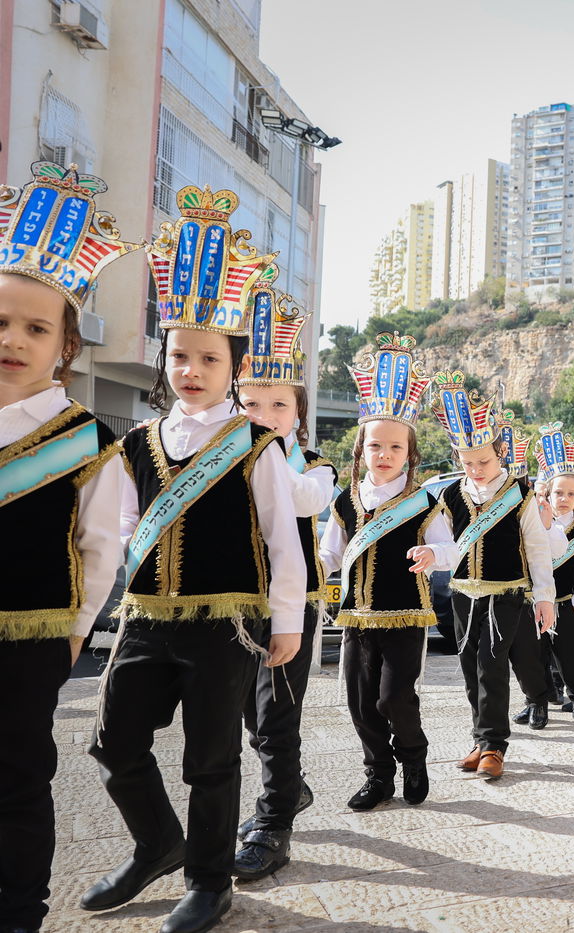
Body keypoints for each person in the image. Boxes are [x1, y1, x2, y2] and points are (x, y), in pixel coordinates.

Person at [85, 185, 306, 933]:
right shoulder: (137, 443)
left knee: (212, 761)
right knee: (112, 740)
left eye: (209, 357)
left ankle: (210, 881)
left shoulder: (255, 444)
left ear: (233, 365)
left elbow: (282, 538)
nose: (191, 368)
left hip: (226, 627)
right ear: (165, 357)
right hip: (146, 620)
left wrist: (288, 620)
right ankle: (157, 842)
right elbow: (115, 532)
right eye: (179, 354)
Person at [0, 162, 132, 933]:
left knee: (16, 779)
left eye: (36, 327)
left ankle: (19, 913)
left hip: (31, 636)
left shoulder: (86, 440)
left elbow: (101, 545)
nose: (13, 338)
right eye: (1, 322)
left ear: (66, 346)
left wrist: (76, 628)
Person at [232, 275, 337, 880]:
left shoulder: (315, 468)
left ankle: (274, 823)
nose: (266, 415)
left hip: (291, 607)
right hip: (232, 602)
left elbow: (299, 501)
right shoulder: (220, 454)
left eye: (279, 404)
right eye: (252, 403)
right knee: (247, 712)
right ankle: (291, 790)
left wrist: (259, 459)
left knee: (277, 716)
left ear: (299, 412)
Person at [321, 334, 448, 809]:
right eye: (376, 445)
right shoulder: (344, 501)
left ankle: (413, 757)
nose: (385, 454)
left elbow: (449, 547)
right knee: (359, 704)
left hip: (406, 613)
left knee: (394, 698)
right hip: (355, 616)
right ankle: (378, 775)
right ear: (361, 450)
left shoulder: (423, 502)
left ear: (410, 453)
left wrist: (435, 557)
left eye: (395, 446)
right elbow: (330, 555)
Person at [418, 376, 555, 778]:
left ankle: (495, 745)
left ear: (500, 454)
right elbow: (446, 546)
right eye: (467, 463)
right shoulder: (449, 496)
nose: (476, 470)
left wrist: (544, 597)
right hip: (462, 594)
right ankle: (480, 739)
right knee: (468, 667)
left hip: (505, 594)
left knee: (491, 665)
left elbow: (537, 548)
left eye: (485, 461)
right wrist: (430, 554)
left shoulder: (520, 493)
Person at [496, 411, 557, 731]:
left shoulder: (530, 503)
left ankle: (539, 701)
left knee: (528, 652)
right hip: (496, 588)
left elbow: (543, 548)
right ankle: (526, 700)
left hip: (528, 590)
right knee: (500, 655)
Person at [534, 423, 574, 721]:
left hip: (567, 600)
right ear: (548, 492)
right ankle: (541, 701)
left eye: (570, 494)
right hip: (537, 599)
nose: (564, 498)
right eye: (558, 492)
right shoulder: (535, 523)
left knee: (568, 655)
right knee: (536, 654)